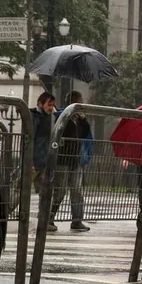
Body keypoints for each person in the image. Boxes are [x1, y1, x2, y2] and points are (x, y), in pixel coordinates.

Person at [48, 90, 92, 232]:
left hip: (75, 159)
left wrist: (83, 119)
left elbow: (85, 132)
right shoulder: (63, 116)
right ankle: (49, 217)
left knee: (76, 190)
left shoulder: (79, 120)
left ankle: (77, 220)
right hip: (63, 159)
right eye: (80, 102)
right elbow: (59, 133)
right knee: (60, 191)